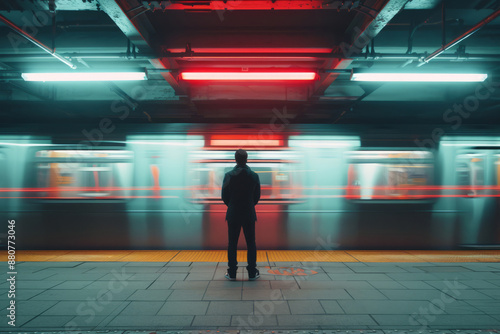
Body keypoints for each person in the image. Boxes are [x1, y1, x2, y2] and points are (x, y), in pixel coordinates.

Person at [221, 149, 261, 280]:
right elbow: (257, 197)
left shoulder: (229, 175)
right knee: (251, 243)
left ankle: (232, 272)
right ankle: (252, 272)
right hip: (249, 213)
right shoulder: (254, 176)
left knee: (232, 244)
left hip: (233, 214)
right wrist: (248, 205)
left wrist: (232, 205)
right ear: (247, 159)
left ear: (235, 159)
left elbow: (224, 196)